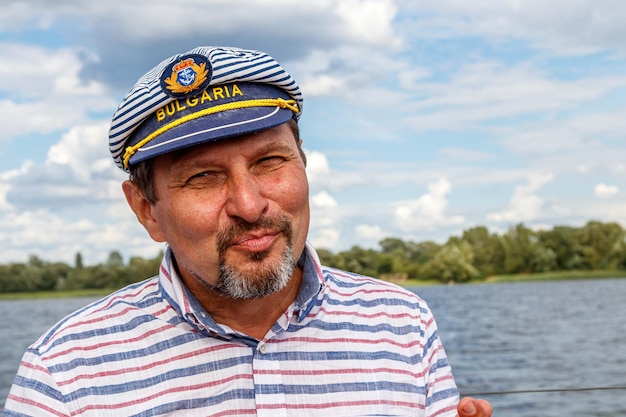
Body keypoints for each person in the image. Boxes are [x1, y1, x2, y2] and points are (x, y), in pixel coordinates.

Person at [3, 46, 492, 417]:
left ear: (304, 164)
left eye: (270, 161)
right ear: (147, 210)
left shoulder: (403, 326)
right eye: (203, 177)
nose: (249, 204)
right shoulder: (62, 374)